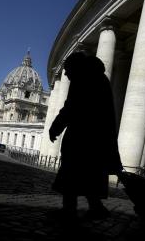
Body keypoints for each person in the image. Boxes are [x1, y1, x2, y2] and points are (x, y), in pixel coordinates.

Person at [49, 52, 122, 221]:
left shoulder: (82, 79)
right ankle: (96, 207)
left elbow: (71, 107)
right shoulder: (100, 78)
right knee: (90, 174)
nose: (66, 74)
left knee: (71, 173)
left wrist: (56, 127)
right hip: (97, 138)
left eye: (67, 70)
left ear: (76, 67)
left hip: (81, 136)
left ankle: (69, 210)